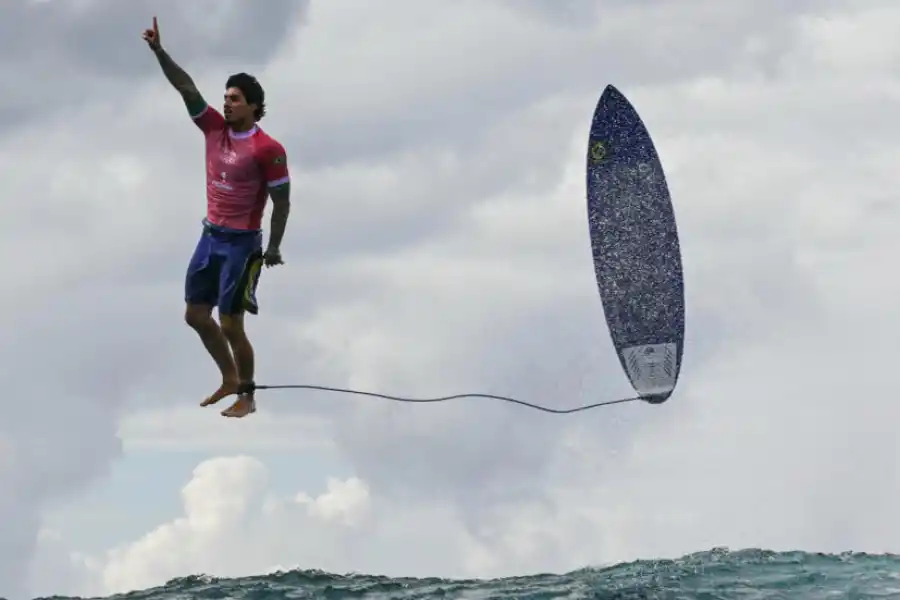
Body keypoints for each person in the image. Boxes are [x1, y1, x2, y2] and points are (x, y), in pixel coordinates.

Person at [142, 16, 292, 419]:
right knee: (194, 315)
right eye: (226, 97)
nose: (227, 103)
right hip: (210, 236)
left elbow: (282, 202)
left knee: (230, 324)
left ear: (255, 107)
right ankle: (228, 376)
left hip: (242, 245)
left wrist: (274, 247)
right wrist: (159, 51)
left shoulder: (268, 149)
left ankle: (247, 394)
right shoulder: (213, 129)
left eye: (235, 98)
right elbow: (185, 86)